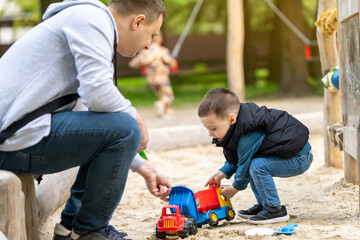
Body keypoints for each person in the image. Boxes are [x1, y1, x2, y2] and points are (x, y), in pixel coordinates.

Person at [0, 0, 172, 239]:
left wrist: (144, 168)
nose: (148, 45)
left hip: (15, 136)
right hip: (9, 141)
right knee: (125, 126)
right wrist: (135, 117)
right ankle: (89, 230)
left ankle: (70, 227)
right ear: (138, 21)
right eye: (151, 35)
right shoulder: (92, 19)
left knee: (118, 126)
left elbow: (88, 113)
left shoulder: (87, 22)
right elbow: (97, 92)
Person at [198, 88, 313, 224]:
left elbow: (244, 163)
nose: (210, 134)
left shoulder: (249, 129)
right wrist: (220, 174)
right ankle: (264, 204)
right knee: (255, 163)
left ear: (231, 119)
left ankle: (274, 209)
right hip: (289, 156)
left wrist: (234, 188)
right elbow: (239, 157)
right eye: (208, 129)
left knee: (256, 166)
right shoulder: (237, 127)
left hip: (299, 158)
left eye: (213, 128)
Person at [128, 32, 176, 117]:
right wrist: (171, 61)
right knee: (168, 96)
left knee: (162, 95)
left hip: (151, 79)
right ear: (160, 39)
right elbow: (172, 63)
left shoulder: (145, 52)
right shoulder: (162, 50)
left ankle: (166, 111)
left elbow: (133, 64)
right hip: (161, 77)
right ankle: (161, 104)